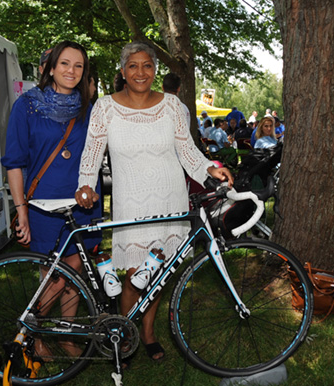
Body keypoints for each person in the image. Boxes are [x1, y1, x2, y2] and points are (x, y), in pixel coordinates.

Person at [75, 41, 232, 364]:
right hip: (131, 201)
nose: (140, 72)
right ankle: (126, 333)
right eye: (133, 65)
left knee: (158, 270)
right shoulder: (105, 107)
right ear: (123, 71)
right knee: (134, 274)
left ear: (155, 70)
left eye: (147, 65)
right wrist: (85, 186)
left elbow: (188, 152)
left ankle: (147, 332)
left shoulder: (173, 106)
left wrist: (210, 169)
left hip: (169, 197)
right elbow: (91, 153)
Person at [1, 41, 102, 356]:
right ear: (50, 67)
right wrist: (22, 211)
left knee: (77, 271)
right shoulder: (27, 106)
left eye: (79, 66)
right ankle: (34, 333)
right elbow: (14, 162)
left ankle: (68, 335)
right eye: (65, 64)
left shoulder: (92, 109)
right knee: (52, 276)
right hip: (44, 204)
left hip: (85, 202)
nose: (71, 71)